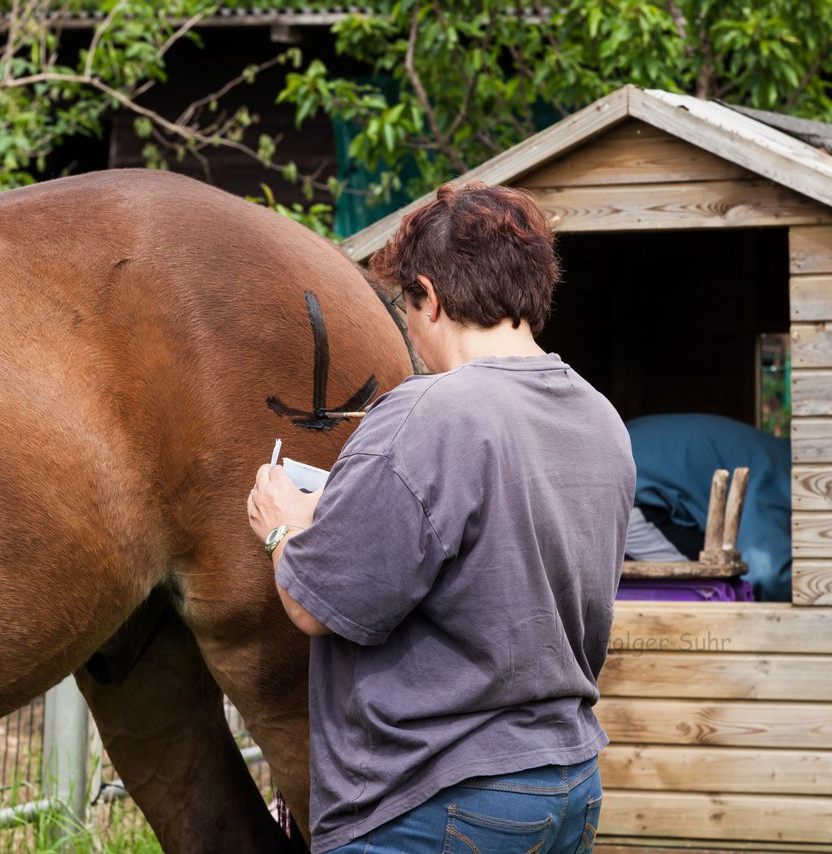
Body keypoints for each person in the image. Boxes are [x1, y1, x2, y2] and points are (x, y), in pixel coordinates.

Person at [247, 182, 635, 853]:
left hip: (436, 798)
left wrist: (283, 525)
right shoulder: (598, 415)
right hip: (567, 781)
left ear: (428, 296)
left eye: (406, 306)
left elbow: (319, 607)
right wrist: (336, 515)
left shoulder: (430, 412)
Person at [623, 412, 792, 601]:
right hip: (623, 502)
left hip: (621, 488)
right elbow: (769, 574)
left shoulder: (769, 454)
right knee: (711, 594)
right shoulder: (780, 472)